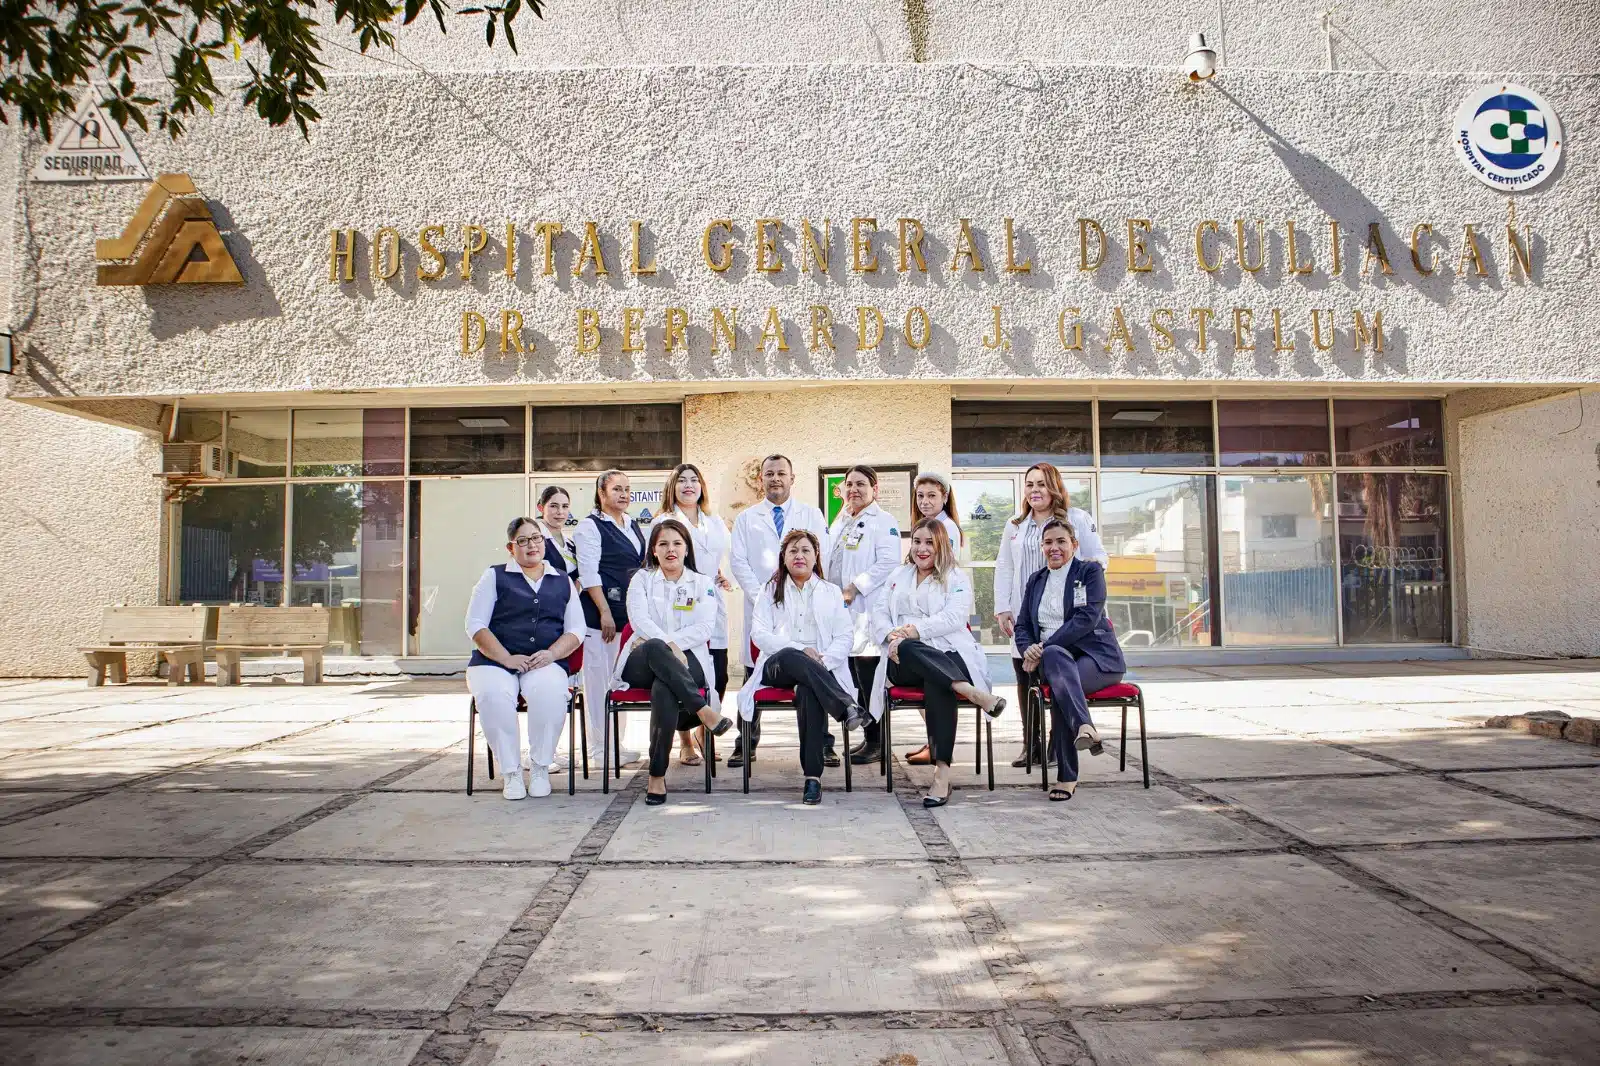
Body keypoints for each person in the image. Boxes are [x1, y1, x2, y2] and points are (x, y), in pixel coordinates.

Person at [868, 519, 1004, 808]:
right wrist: (893, 634)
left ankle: (942, 773)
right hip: (901, 658)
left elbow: (954, 617)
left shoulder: (955, 577)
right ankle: (969, 691)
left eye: (929, 542)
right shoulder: (898, 574)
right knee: (912, 651)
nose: (922, 548)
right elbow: (878, 612)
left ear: (941, 544)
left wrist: (914, 631)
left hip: (948, 652)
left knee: (936, 680)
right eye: (917, 541)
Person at [736, 529, 869, 805]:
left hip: (819, 669)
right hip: (777, 666)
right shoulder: (769, 590)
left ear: (815, 556)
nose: (799, 555)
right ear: (783, 557)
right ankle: (846, 707)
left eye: (805, 550)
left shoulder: (831, 592)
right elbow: (759, 634)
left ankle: (813, 778)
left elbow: (845, 636)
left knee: (809, 690)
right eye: (793, 550)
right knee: (793, 655)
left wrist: (823, 660)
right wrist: (800, 650)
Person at [993, 462, 1108, 767]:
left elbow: (1098, 558)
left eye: (1041, 484)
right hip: (1026, 613)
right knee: (1025, 677)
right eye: (1030, 484)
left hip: (1065, 616)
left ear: (1055, 487)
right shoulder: (1015, 525)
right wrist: (1002, 606)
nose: (1035, 490)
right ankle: (1031, 743)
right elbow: (1004, 566)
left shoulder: (1077, 519)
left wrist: (1078, 584)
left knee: (1057, 673)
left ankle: (1058, 744)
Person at [613, 519, 735, 805]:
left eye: (677, 543)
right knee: (656, 647)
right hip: (641, 660)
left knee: (664, 689)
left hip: (687, 657)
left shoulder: (702, 583)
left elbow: (706, 626)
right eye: (663, 544)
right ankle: (703, 712)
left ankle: (656, 775)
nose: (671, 549)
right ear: (653, 550)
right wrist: (667, 646)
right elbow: (639, 620)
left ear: (686, 548)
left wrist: (672, 647)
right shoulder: (641, 579)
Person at [465, 518, 586, 800]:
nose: (532, 545)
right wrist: (505, 658)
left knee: (550, 691)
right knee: (493, 694)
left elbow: (576, 629)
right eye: (523, 540)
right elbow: (475, 625)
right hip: (495, 660)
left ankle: (541, 767)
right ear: (511, 547)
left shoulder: (562, 580)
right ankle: (511, 772)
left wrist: (552, 653)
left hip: (544, 660)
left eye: (537, 538)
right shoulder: (494, 577)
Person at [727, 454, 828, 768]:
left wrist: (797, 594)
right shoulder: (746, 519)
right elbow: (739, 562)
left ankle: (823, 744)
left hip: (804, 606)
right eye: (769, 474)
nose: (775, 479)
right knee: (752, 672)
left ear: (792, 478)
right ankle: (746, 742)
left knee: (812, 671)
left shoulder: (811, 514)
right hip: (761, 605)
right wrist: (766, 597)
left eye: (781, 473)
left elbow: (819, 559)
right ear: (761, 480)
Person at [1014, 518, 1125, 801]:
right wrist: (1028, 648)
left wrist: (1042, 647)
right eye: (1048, 542)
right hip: (1053, 661)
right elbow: (1023, 625)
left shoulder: (1089, 572)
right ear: (1041, 547)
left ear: (1074, 545)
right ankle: (1085, 728)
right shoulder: (1036, 580)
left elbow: (1086, 619)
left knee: (1063, 684)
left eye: (1061, 541)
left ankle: (1067, 777)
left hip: (1097, 659)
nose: (1054, 548)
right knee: (1057, 666)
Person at [822, 465, 903, 768]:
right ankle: (869, 737)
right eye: (849, 485)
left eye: (861, 485)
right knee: (852, 678)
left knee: (869, 679)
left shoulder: (884, 521)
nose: (854, 490)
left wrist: (855, 587)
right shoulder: (841, 519)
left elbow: (889, 562)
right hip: (841, 610)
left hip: (866, 610)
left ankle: (877, 742)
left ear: (875, 489)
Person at [659, 462, 734, 767]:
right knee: (684, 670)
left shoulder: (714, 522)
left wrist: (720, 575)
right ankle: (685, 741)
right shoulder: (664, 520)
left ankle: (706, 731)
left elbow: (717, 557)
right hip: (678, 601)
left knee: (718, 672)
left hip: (712, 599)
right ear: (672, 487)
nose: (688, 485)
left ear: (702, 486)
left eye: (694, 480)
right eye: (682, 481)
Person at [574, 469, 646, 768]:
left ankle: (616, 744)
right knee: (597, 683)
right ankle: (599, 749)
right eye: (617, 489)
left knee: (620, 680)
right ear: (601, 493)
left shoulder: (631, 523)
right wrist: (603, 610)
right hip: (600, 618)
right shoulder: (589, 528)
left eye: (627, 489)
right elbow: (589, 573)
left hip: (626, 616)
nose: (624, 494)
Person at [536, 485, 579, 579]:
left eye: (565, 506)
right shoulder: (534, 540)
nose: (560, 512)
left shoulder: (570, 543)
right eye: (553, 506)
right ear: (541, 508)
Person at [914, 473, 964, 551]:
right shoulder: (924, 524)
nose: (924, 501)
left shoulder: (948, 527)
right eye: (920, 496)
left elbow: (946, 562)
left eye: (931, 495)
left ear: (945, 497)